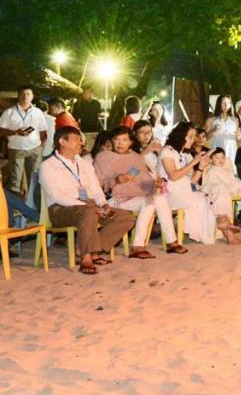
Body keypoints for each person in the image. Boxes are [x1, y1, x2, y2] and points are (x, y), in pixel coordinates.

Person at [38, 126, 135, 274]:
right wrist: (86, 205)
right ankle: (86, 257)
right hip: (61, 209)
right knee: (88, 211)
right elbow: (56, 195)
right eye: (76, 139)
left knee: (126, 217)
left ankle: (92, 249)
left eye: (80, 139)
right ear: (62, 141)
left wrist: (103, 204)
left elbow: (95, 188)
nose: (81, 143)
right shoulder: (48, 165)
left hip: (89, 205)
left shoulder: (83, 163)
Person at [94, 125, 182, 256]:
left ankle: (171, 242)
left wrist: (155, 184)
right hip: (113, 199)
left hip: (135, 197)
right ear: (111, 141)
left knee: (160, 198)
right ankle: (138, 246)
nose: (120, 143)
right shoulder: (103, 157)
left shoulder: (135, 158)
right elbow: (96, 184)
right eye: (116, 140)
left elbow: (144, 181)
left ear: (131, 142)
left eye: (124, 140)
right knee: (148, 202)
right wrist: (115, 181)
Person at [160, 122, 239, 245]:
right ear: (180, 136)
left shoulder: (186, 155)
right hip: (172, 193)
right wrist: (193, 163)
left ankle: (226, 228)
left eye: (193, 136)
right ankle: (226, 229)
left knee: (220, 189)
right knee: (207, 200)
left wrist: (201, 166)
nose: (194, 139)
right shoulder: (167, 151)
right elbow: (173, 176)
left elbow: (192, 181)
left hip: (187, 189)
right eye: (190, 136)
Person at [1, 85, 48, 200]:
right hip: (16, 149)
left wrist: (40, 147)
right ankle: (15, 208)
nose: (25, 96)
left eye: (28, 94)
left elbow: (43, 132)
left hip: (34, 150)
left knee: (34, 179)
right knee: (15, 181)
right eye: (22, 94)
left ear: (32, 96)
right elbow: (1, 130)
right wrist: (15, 132)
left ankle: (33, 206)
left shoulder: (37, 112)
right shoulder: (9, 112)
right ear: (18, 95)